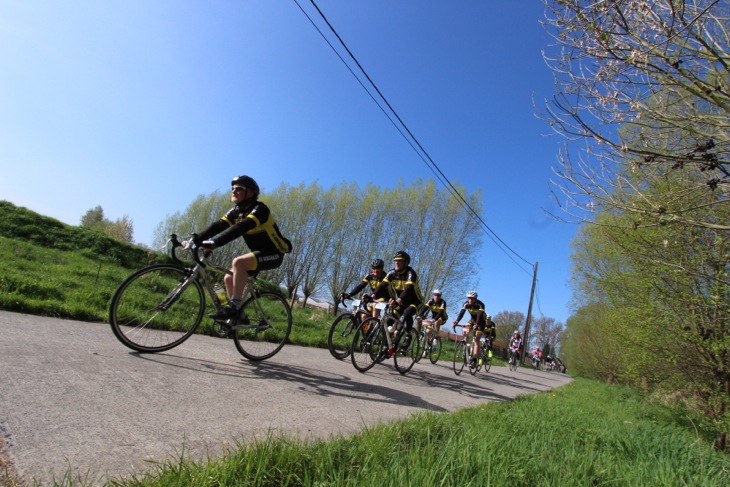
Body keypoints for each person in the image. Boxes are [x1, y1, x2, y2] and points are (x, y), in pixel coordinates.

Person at [194, 175, 292, 322]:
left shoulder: (260, 209)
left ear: (251, 192)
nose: (234, 191)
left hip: (274, 254)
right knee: (228, 277)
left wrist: (214, 243)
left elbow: (241, 227)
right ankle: (239, 316)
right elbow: (218, 225)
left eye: (239, 188)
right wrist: (195, 239)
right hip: (256, 255)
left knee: (238, 262)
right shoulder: (236, 212)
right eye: (233, 188)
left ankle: (234, 306)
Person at [371, 250, 423, 349]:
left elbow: (408, 289)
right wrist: (373, 295)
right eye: (395, 261)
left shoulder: (411, 273)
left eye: (400, 261)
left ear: (406, 262)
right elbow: (382, 285)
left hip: (415, 301)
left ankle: (408, 336)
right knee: (388, 321)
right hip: (402, 301)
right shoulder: (392, 273)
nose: (397, 262)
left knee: (407, 313)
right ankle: (388, 344)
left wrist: (398, 300)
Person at [451, 290, 488, 366]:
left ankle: (474, 359)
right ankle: (467, 347)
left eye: (472, 298)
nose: (470, 300)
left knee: (477, 338)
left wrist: (476, 324)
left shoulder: (481, 305)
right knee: (465, 330)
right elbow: (461, 313)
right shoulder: (466, 304)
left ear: (476, 298)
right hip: (472, 321)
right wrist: (456, 321)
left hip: (480, 323)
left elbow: (480, 315)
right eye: (469, 298)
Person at [417, 289, 448, 356]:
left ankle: (436, 338)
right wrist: (419, 315)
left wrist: (434, 319)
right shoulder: (430, 301)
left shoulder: (443, 302)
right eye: (435, 295)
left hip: (442, 318)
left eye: (438, 296)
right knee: (427, 332)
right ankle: (427, 348)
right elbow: (424, 308)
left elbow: (440, 313)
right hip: (433, 319)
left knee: (437, 322)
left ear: (440, 296)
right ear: (433, 295)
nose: (436, 297)